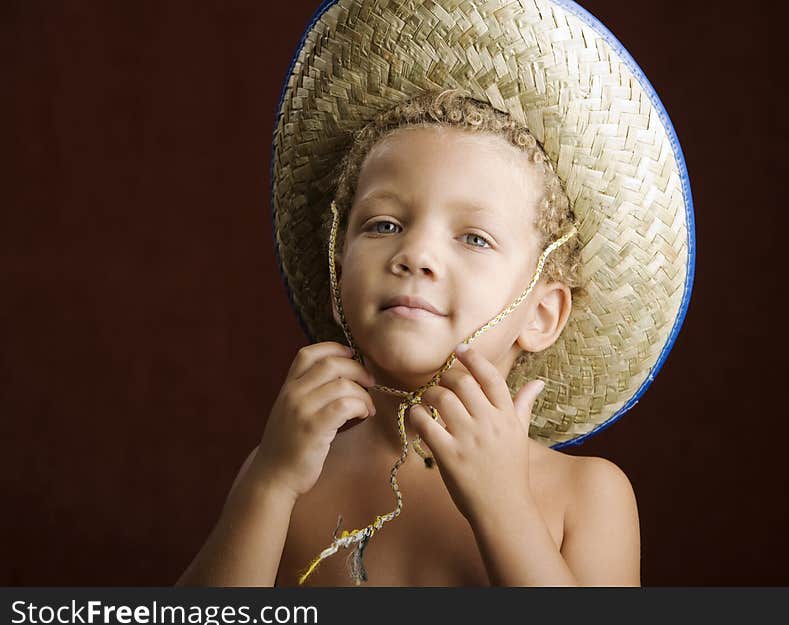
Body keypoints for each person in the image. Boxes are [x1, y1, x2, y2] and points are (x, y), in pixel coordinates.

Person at [176, 0, 693, 587]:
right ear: (337, 264)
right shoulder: (293, 471)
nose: (414, 255)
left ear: (543, 312)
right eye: (383, 225)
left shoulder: (586, 495)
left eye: (473, 237)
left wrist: (504, 508)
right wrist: (268, 483)